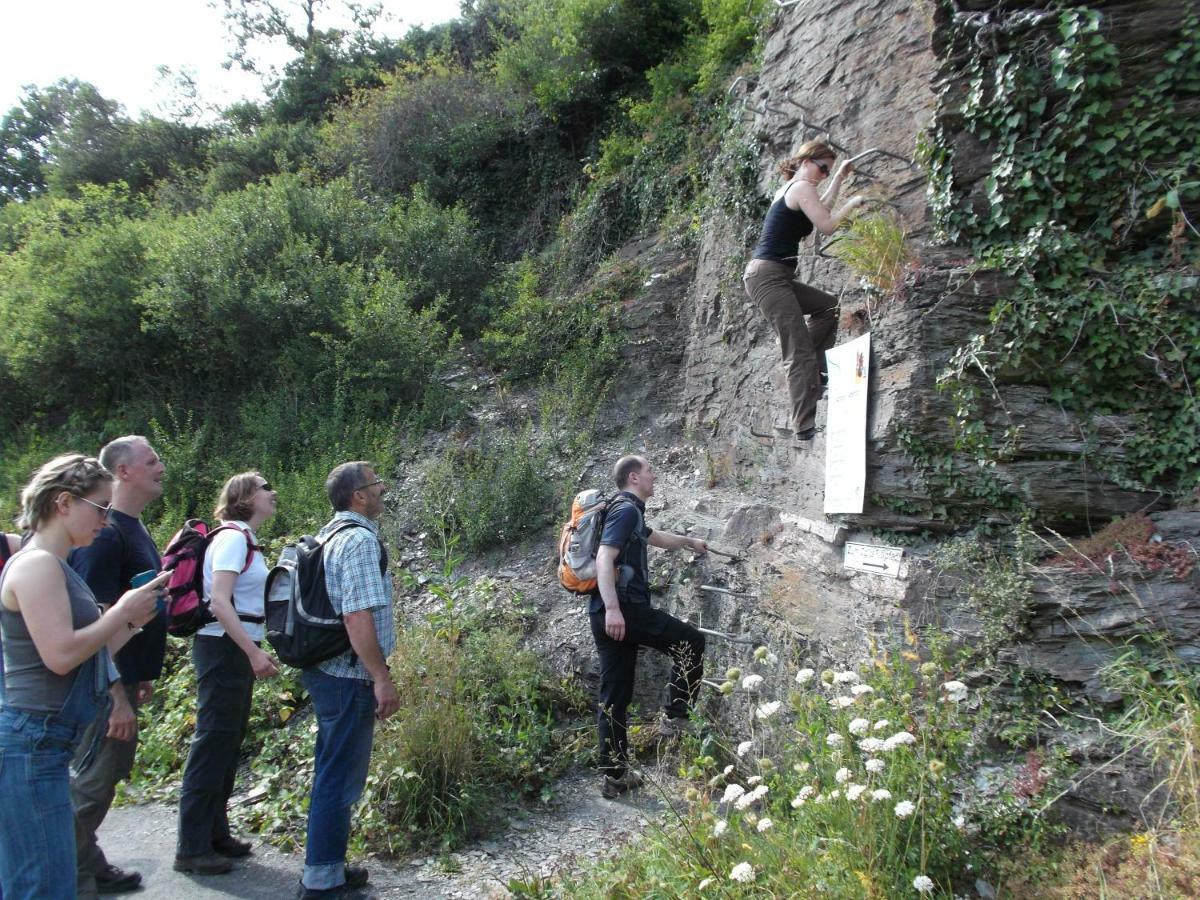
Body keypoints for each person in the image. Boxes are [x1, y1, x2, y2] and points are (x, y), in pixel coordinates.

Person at [0, 454, 166, 899]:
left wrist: (132, 621)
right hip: (31, 741)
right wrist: (121, 613)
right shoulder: (37, 566)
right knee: (41, 885)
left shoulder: (57, 567)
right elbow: (60, 656)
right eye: (100, 508)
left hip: (47, 741)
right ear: (63, 503)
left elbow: (89, 653)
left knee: (49, 880)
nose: (107, 521)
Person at [69, 436, 167, 897]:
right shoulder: (104, 535)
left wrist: (140, 672)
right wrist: (115, 696)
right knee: (91, 783)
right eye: (152, 460)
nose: (161, 466)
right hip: (99, 686)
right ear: (123, 471)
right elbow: (90, 620)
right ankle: (70, 877)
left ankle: (88, 861)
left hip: (122, 677)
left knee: (105, 779)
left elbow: (135, 611)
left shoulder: (131, 527)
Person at [297, 461, 398, 899]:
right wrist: (381, 677)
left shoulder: (328, 533)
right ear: (359, 496)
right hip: (347, 676)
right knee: (340, 778)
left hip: (326, 672)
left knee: (332, 771)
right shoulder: (357, 540)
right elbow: (357, 618)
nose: (382, 489)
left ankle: (329, 866)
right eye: (376, 483)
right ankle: (320, 880)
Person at [175, 472, 280, 876]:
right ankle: (192, 846)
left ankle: (215, 833)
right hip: (222, 648)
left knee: (227, 740)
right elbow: (219, 602)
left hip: (229, 648)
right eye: (265, 488)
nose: (272, 493)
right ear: (246, 497)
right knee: (213, 741)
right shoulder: (233, 539)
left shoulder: (243, 539)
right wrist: (252, 652)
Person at [590, 455, 708, 799]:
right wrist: (615, 609)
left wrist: (688, 542)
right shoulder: (626, 510)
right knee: (690, 642)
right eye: (650, 471)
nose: (655, 476)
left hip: (604, 613)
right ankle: (676, 714)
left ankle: (615, 776)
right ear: (634, 477)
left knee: (615, 695)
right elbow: (603, 557)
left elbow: (654, 537)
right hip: (622, 610)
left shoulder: (626, 511)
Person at [743, 138, 866, 446]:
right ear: (806, 160)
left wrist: (839, 178)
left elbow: (819, 209)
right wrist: (854, 202)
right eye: (823, 168)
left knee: (828, 308)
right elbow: (826, 225)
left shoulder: (795, 190)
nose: (823, 174)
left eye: (828, 172)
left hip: (774, 275)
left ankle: (816, 370)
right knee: (797, 352)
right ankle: (804, 425)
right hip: (768, 277)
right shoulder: (800, 188)